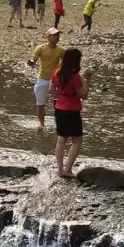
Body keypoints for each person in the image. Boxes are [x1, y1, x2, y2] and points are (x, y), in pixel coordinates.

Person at [50, 48, 91, 178]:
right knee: (77, 140)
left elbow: (52, 90)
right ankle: (68, 169)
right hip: (72, 110)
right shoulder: (75, 77)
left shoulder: (56, 73)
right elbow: (83, 95)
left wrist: (62, 95)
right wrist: (87, 81)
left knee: (61, 139)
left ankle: (60, 169)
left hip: (59, 108)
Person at [28, 27, 65, 128]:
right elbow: (33, 62)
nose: (57, 37)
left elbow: (65, 64)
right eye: (54, 35)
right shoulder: (40, 48)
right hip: (42, 79)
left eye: (58, 35)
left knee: (57, 104)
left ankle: (59, 124)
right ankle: (42, 125)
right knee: (40, 104)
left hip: (55, 80)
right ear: (48, 37)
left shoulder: (61, 50)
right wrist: (30, 62)